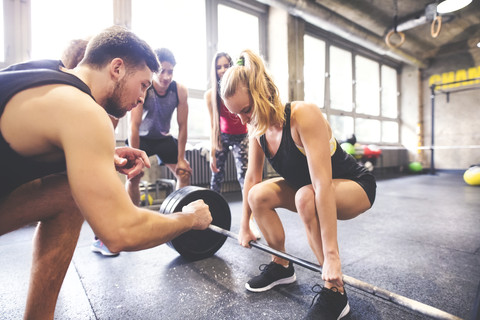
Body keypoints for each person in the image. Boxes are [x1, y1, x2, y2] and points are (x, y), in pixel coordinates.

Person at [0, 26, 212, 320]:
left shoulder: (46, 74)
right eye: (142, 85)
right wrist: (191, 218)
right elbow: (119, 232)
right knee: (77, 200)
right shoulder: (86, 112)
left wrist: (103, 157)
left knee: (67, 194)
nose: (142, 98)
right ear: (117, 68)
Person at [219, 49, 376, 319]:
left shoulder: (303, 115)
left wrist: (332, 256)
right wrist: (245, 225)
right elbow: (251, 178)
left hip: (354, 185)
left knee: (306, 195)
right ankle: (281, 265)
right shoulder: (257, 128)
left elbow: (321, 184)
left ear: (264, 93)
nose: (243, 120)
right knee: (258, 195)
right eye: (237, 115)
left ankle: (335, 292)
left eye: (246, 110)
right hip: (310, 189)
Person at [126, 48, 192, 206]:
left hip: (163, 138)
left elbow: (183, 126)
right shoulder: (145, 88)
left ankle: (178, 213)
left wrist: (181, 158)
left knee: (184, 173)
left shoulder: (179, 91)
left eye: (170, 72)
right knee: (133, 176)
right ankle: (133, 215)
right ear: (154, 70)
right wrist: (135, 157)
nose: (166, 77)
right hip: (141, 138)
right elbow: (133, 126)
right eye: (162, 71)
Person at [204, 52, 248, 193]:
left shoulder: (241, 90)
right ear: (215, 70)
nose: (222, 70)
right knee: (216, 175)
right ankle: (213, 210)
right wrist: (212, 153)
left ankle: (249, 213)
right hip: (223, 136)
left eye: (226, 66)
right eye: (219, 67)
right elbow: (213, 124)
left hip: (242, 136)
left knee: (244, 176)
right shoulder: (210, 95)